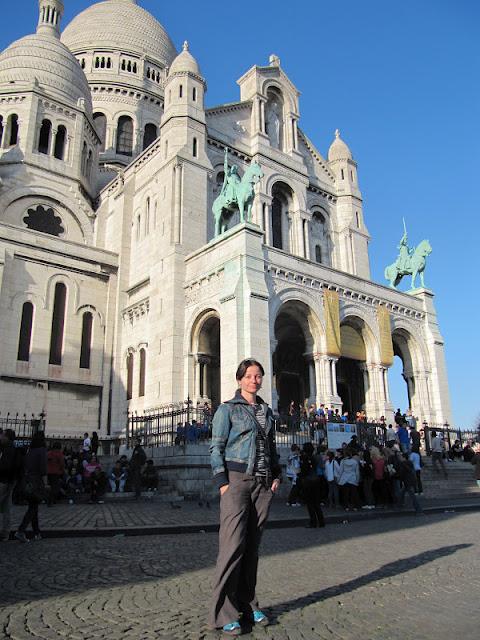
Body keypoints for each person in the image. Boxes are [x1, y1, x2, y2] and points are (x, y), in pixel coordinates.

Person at [209, 358, 281, 636]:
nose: (255, 380)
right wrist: (223, 483)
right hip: (237, 481)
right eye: (249, 376)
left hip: (263, 485)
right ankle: (223, 613)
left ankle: (248, 604)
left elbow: (271, 447)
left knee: (252, 548)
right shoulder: (227, 409)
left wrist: (276, 475)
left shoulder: (267, 411)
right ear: (239, 380)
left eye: (258, 376)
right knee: (232, 547)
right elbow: (216, 447)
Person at [15, 432, 48, 542]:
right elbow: (43, 469)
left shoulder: (30, 450)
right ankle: (21, 530)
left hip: (27, 481)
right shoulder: (42, 450)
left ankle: (37, 532)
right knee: (33, 507)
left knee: (33, 506)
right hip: (36, 482)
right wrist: (46, 483)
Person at [0, 429, 22, 541]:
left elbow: (5, 466)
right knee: (6, 508)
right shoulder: (13, 448)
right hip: (10, 481)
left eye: (2, 435)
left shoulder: (7, 449)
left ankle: (5, 532)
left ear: (7, 437)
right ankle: (5, 533)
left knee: (5, 507)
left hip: (4, 481)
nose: (1, 437)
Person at [298, 442, 325, 528]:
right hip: (316, 480)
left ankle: (313, 522)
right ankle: (321, 521)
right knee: (316, 502)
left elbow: (304, 470)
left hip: (308, 481)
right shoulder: (314, 457)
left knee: (310, 503)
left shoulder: (304, 458)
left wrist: (300, 475)